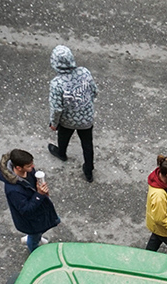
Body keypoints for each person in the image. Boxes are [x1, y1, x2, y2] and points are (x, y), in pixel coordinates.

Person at [46, 45, 98, 182]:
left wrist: (54, 123)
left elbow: (56, 108)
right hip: (86, 119)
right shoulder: (84, 72)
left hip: (67, 121)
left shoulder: (57, 84)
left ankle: (61, 153)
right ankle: (88, 170)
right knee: (87, 144)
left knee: (63, 137)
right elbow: (94, 90)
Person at [0, 149, 60, 252]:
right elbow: (25, 210)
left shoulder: (29, 172)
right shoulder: (13, 190)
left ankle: (33, 237)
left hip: (40, 212)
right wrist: (39, 195)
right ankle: (34, 251)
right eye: (29, 165)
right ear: (18, 167)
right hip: (31, 221)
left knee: (47, 226)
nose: (33, 167)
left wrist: (42, 190)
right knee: (34, 237)